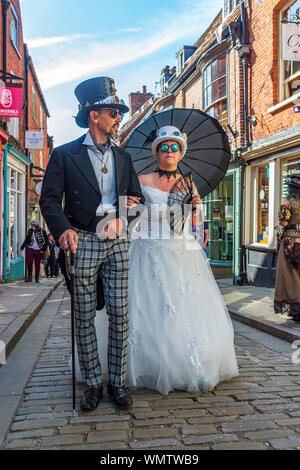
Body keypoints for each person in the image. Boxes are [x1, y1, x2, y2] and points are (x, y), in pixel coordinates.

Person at [84, 125, 239, 395]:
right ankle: (147, 365)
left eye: (174, 147)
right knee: (148, 309)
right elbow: (120, 216)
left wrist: (196, 209)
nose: (169, 151)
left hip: (181, 251)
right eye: (164, 147)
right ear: (156, 152)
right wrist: (127, 206)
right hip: (147, 249)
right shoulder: (141, 180)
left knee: (186, 308)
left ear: (181, 152)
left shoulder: (189, 184)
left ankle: (193, 366)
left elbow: (195, 224)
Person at [40, 77, 144, 411]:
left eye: (118, 112)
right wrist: (63, 230)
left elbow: (137, 201)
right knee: (83, 316)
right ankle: (91, 384)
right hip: (82, 241)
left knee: (120, 313)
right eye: (113, 111)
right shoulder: (64, 154)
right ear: (93, 115)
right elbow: (50, 201)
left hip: (117, 243)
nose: (118, 117)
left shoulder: (124, 158)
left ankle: (117, 382)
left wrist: (124, 219)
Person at [274, 169, 300, 322]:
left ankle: (296, 311)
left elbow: (283, 222)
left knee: (291, 277)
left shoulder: (287, 202)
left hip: (291, 242)